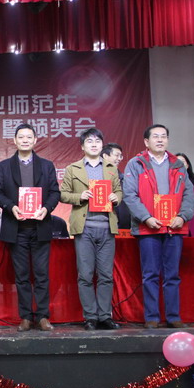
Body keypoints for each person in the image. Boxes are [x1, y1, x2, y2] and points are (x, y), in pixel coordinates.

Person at [123, 124, 194, 329]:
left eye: (164, 136)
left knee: (172, 275)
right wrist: (146, 217)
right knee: (150, 274)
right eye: (156, 136)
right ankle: (152, 317)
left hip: (174, 226)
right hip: (148, 228)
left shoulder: (177, 165)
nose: (160, 140)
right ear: (146, 142)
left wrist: (182, 216)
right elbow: (129, 194)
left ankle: (173, 316)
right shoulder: (136, 163)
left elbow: (189, 194)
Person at [0, 123, 61, 332]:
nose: (25, 140)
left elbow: (55, 193)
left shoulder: (46, 165)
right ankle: (25, 317)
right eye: (21, 137)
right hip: (16, 228)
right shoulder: (4, 166)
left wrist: (46, 209)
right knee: (21, 275)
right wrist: (10, 207)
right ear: (14, 140)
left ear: (35, 140)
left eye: (28, 137)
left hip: (40, 226)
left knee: (41, 274)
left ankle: (42, 316)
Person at [60, 128, 122, 330]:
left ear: (102, 145)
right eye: (89, 141)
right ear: (82, 146)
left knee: (106, 275)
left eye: (97, 141)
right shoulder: (73, 168)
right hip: (84, 228)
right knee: (85, 275)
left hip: (107, 228)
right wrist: (80, 196)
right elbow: (63, 194)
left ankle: (105, 316)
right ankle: (90, 317)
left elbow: (119, 192)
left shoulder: (111, 168)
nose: (94, 144)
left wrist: (115, 198)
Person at [101, 143, 131, 229]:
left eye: (121, 156)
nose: (119, 159)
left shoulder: (123, 178)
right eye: (117, 155)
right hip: (103, 224)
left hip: (123, 225)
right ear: (105, 156)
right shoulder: (96, 177)